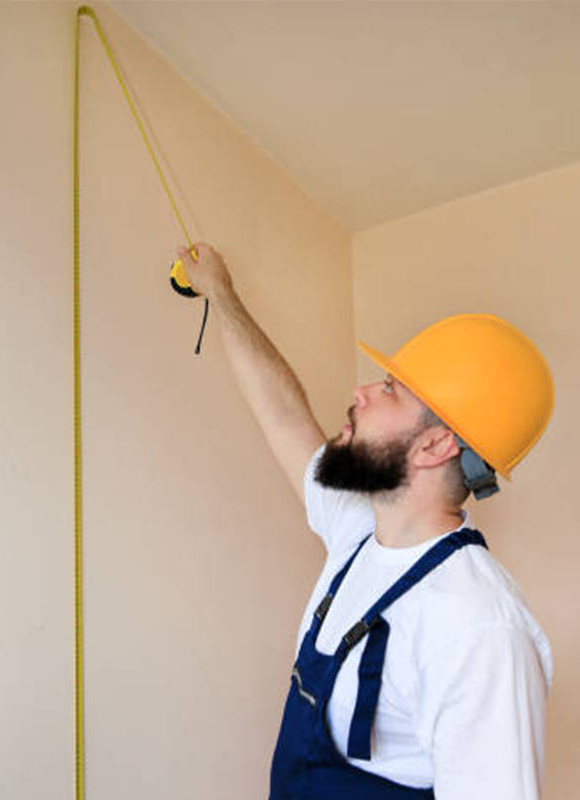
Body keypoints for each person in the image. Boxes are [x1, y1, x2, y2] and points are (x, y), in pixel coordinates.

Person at [175, 242, 555, 800]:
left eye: (390, 389)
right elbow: (283, 414)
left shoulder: (479, 629)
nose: (361, 392)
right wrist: (222, 295)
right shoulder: (358, 533)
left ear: (435, 443)